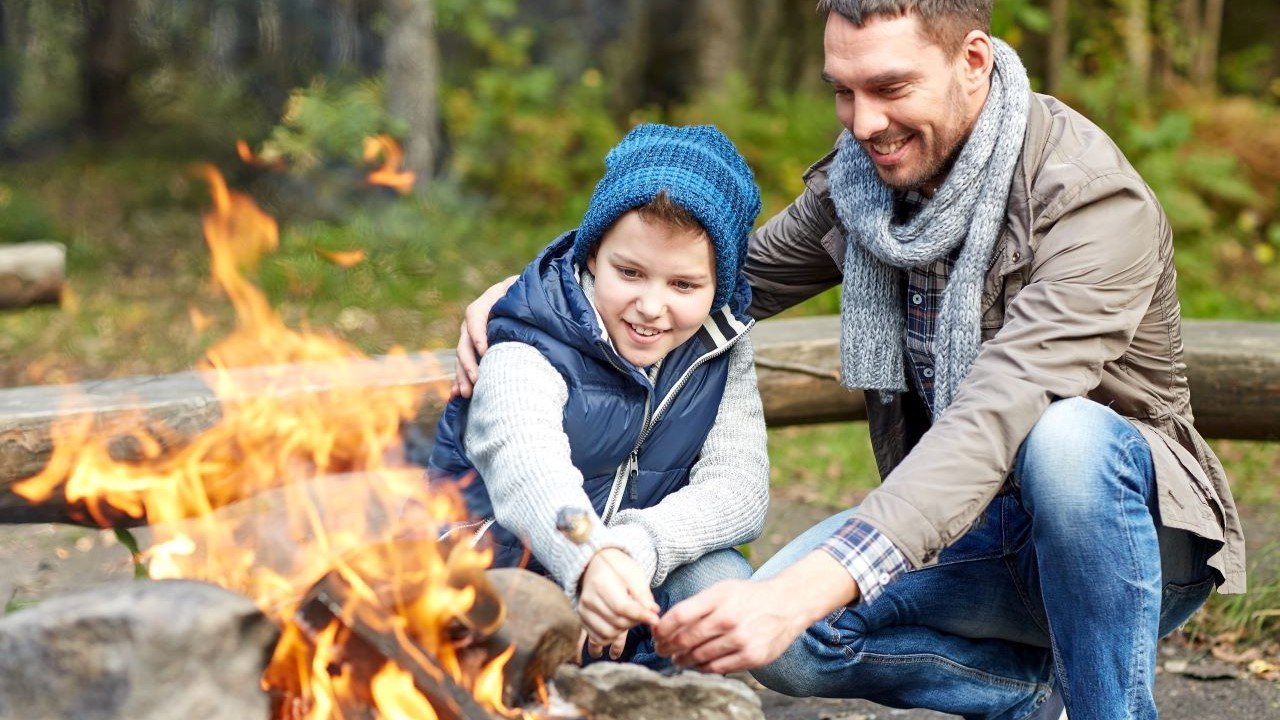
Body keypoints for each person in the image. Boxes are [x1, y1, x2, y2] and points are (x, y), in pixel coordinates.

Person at [456, 2, 1246, 717]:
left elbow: (997, 413)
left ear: (973, 59)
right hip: (968, 535)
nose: (863, 122)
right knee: (764, 630)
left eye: (890, 87)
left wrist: (805, 590)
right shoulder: (864, 185)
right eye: (844, 90)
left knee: (1066, 438)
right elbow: (720, 281)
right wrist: (544, 293)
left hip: (1121, 537)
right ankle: (1032, 698)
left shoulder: (1092, 204)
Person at [430, 123, 768, 668]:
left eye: (683, 285)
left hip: (633, 576)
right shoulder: (528, 342)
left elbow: (740, 489)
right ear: (591, 256)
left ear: (717, 286)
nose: (651, 306)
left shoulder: (717, 348)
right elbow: (531, 472)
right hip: (500, 574)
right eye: (630, 273)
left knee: (719, 578)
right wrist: (591, 556)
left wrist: (634, 548)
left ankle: (664, 689)